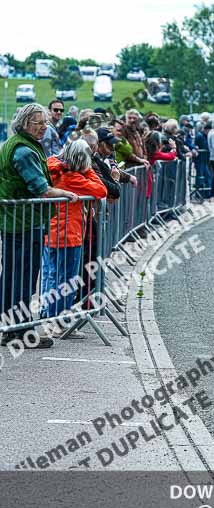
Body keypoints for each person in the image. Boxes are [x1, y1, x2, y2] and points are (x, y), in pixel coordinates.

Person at [0, 104, 80, 348]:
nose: (44, 127)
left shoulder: (14, 144)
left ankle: (11, 328)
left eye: (45, 122)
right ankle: (20, 329)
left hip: (17, 220)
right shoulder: (23, 151)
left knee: (13, 276)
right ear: (25, 124)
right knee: (23, 277)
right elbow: (40, 188)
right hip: (24, 221)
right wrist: (67, 194)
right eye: (39, 123)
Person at [42, 140, 107, 335]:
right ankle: (58, 320)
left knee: (51, 275)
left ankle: (48, 316)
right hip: (69, 233)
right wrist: (87, 170)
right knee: (67, 279)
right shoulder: (74, 177)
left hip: (51, 231)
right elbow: (101, 189)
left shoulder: (52, 165)